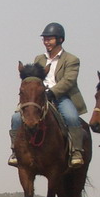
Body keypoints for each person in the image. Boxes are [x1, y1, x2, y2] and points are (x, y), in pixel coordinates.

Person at [8, 22, 87, 169]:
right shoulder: (39, 58)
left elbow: (69, 80)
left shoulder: (71, 59)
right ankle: (15, 151)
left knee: (71, 117)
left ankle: (76, 151)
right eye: (45, 39)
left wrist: (52, 92)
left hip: (61, 96)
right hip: (39, 97)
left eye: (50, 39)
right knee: (16, 117)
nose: (46, 42)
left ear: (60, 39)